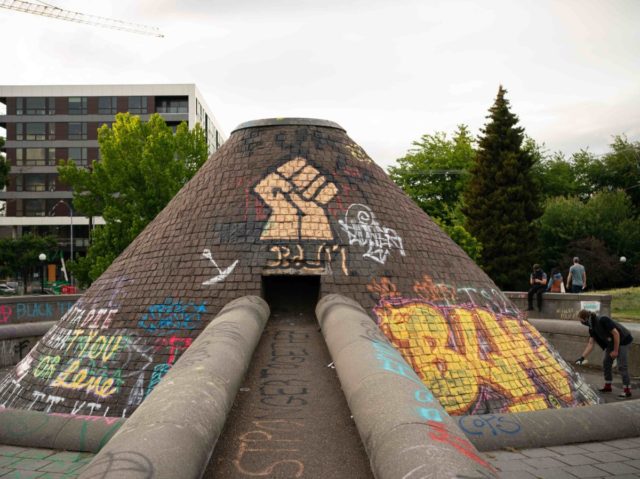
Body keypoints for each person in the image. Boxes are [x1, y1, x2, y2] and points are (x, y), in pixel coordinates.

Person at [575, 309, 633, 398]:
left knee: (622, 366)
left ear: (586, 318)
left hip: (623, 340)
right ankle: (608, 386)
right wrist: (582, 357)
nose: (581, 322)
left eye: (581, 320)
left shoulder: (603, 320)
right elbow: (591, 344)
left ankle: (627, 390)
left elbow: (616, 334)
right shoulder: (592, 328)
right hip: (612, 342)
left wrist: (616, 351)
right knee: (606, 362)